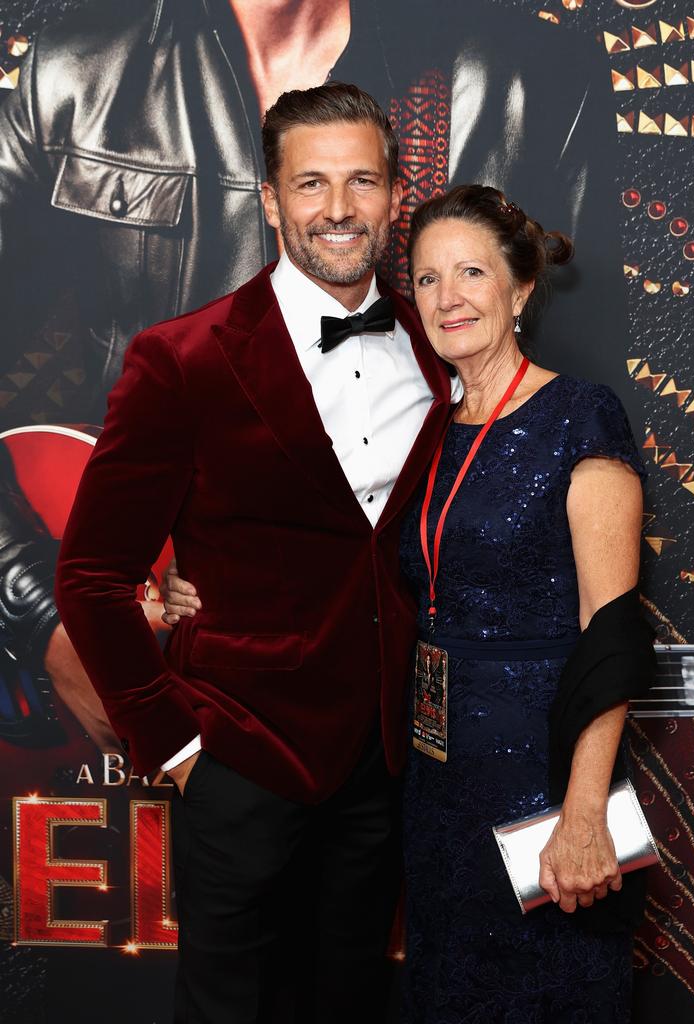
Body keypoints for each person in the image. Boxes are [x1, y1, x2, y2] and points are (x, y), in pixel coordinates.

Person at [0, 0, 630, 748]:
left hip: (409, 680)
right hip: (172, 668)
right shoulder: (73, 74)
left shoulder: (535, 79)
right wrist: (42, 614)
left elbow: (581, 428)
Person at [165, 184, 656, 1022]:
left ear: (521, 289)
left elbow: (609, 632)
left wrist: (583, 812)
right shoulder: (427, 428)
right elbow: (345, 564)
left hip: (543, 774)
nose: (448, 297)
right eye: (426, 280)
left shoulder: (580, 415)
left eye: (471, 272)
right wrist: (199, 588)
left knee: (553, 993)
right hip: (433, 785)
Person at [55, 83, 459, 1024]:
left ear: (397, 194)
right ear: (271, 201)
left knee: (351, 1003)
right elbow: (90, 575)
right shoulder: (184, 357)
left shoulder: (439, 350)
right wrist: (175, 745)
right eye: (310, 183)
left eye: (362, 180)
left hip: (381, 766)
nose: (338, 208)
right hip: (236, 755)